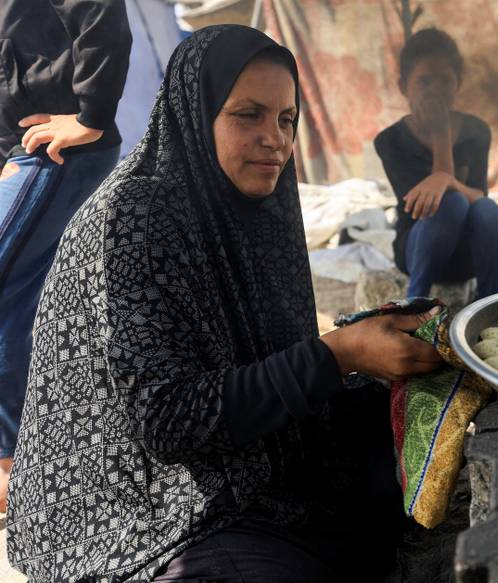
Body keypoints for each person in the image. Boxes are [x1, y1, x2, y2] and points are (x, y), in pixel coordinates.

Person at [7, 25, 441, 582]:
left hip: (232, 453)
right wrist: (336, 356)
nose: (276, 140)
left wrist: (379, 342)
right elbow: (168, 422)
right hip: (138, 504)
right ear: (194, 111)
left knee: (388, 444)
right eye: (248, 115)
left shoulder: (253, 205)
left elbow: (271, 357)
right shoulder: (137, 219)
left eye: (286, 119)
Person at [0, 0, 132, 511]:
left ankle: (16, 465)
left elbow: (100, 11)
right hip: (24, 148)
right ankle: (48, 458)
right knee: (25, 302)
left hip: (59, 148)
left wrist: (91, 117)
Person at [374, 28, 498, 299]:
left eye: (445, 80)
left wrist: (447, 178)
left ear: (458, 82)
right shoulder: (390, 141)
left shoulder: (477, 130)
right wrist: (441, 133)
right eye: (424, 81)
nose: (435, 90)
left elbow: (480, 195)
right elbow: (423, 206)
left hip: (467, 257)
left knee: (488, 210)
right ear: (404, 87)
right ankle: (416, 304)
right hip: (420, 251)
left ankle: (492, 304)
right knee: (451, 204)